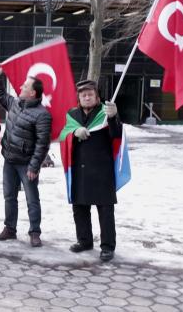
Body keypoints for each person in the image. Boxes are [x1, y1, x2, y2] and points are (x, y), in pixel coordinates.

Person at [0, 63, 52, 247]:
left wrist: (34, 167)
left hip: (26, 165)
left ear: (33, 93)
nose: (20, 87)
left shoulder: (42, 115)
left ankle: (35, 233)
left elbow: (43, 144)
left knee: (32, 199)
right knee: (9, 196)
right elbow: (1, 95)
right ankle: (10, 229)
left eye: (25, 86)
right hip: (9, 159)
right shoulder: (15, 103)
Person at [63, 80, 122, 262]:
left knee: (105, 210)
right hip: (79, 169)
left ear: (97, 97)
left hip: (101, 169)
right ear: (79, 98)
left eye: (90, 94)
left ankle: (107, 247)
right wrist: (74, 133)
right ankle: (84, 241)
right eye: (83, 95)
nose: (86, 97)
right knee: (80, 207)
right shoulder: (72, 114)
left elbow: (117, 135)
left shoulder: (106, 112)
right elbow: (63, 135)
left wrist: (113, 117)